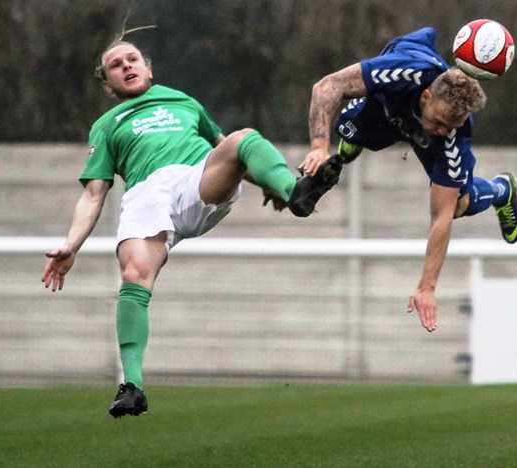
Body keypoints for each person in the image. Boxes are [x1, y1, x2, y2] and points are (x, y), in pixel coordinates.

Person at [40, 37, 330, 418]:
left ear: (149, 68)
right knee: (133, 274)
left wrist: (272, 185)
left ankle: (296, 192)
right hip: (146, 197)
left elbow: (227, 149)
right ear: (109, 85)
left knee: (244, 136)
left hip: (195, 180)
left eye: (133, 59)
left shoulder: (183, 101)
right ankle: (133, 387)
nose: (127, 66)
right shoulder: (106, 126)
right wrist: (71, 246)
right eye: (116, 65)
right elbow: (94, 195)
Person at [292, 26, 517, 333]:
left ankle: (500, 190)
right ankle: (352, 142)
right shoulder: (401, 73)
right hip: (390, 100)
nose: (442, 130)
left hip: (413, 125)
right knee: (349, 127)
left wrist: (427, 286)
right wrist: (320, 148)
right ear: (426, 96)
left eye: (450, 125)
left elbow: (441, 217)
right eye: (440, 121)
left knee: (457, 204)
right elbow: (326, 87)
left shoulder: (452, 135)